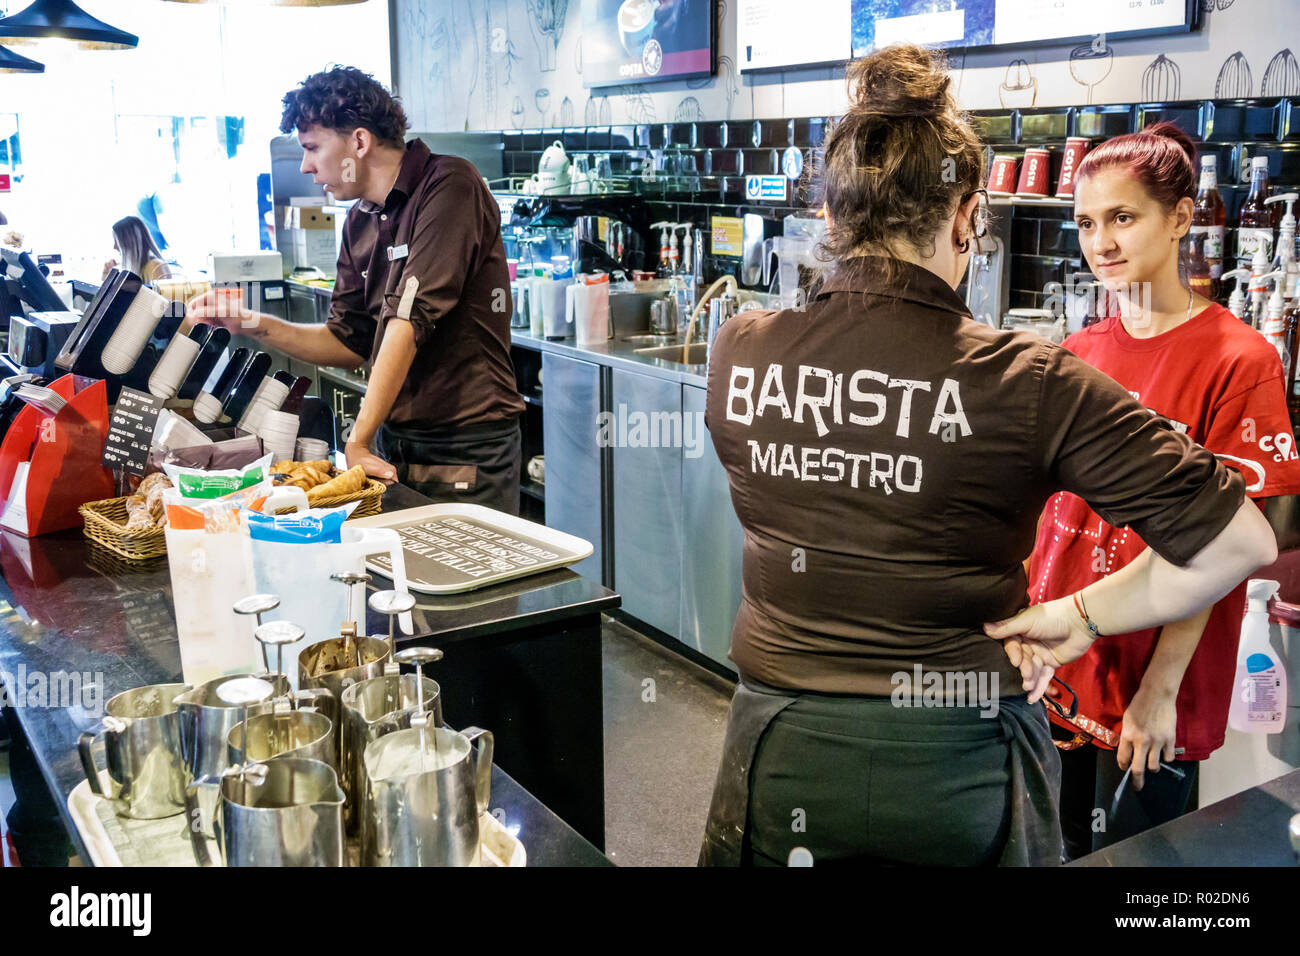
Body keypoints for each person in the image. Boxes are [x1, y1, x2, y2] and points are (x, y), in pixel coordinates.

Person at [698, 44, 1277, 867]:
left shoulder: (740, 351)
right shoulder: (1030, 380)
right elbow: (1242, 540)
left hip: (779, 747)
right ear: (967, 212)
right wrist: (1077, 620)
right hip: (958, 759)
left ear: (830, 217)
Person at [1024, 124, 1300, 860]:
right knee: (1054, 848)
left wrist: (1162, 687)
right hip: (1062, 661)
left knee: (1142, 872)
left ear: (1179, 219)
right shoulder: (1079, 352)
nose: (1101, 242)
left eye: (1123, 217)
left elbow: (1226, 547)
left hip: (1154, 675)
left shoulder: (1239, 359)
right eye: (1086, 222)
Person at [188, 67, 524, 513]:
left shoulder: (450, 185)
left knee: (470, 579)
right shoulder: (362, 219)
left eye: (311, 148)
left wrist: (358, 439)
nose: (306, 165)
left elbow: (409, 319)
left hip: (464, 448)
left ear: (359, 142)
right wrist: (253, 323)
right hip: (396, 442)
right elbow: (349, 341)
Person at [103, 215, 173, 282]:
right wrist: (107, 275)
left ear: (130, 241)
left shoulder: (154, 265)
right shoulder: (137, 269)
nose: (114, 247)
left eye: (117, 241)